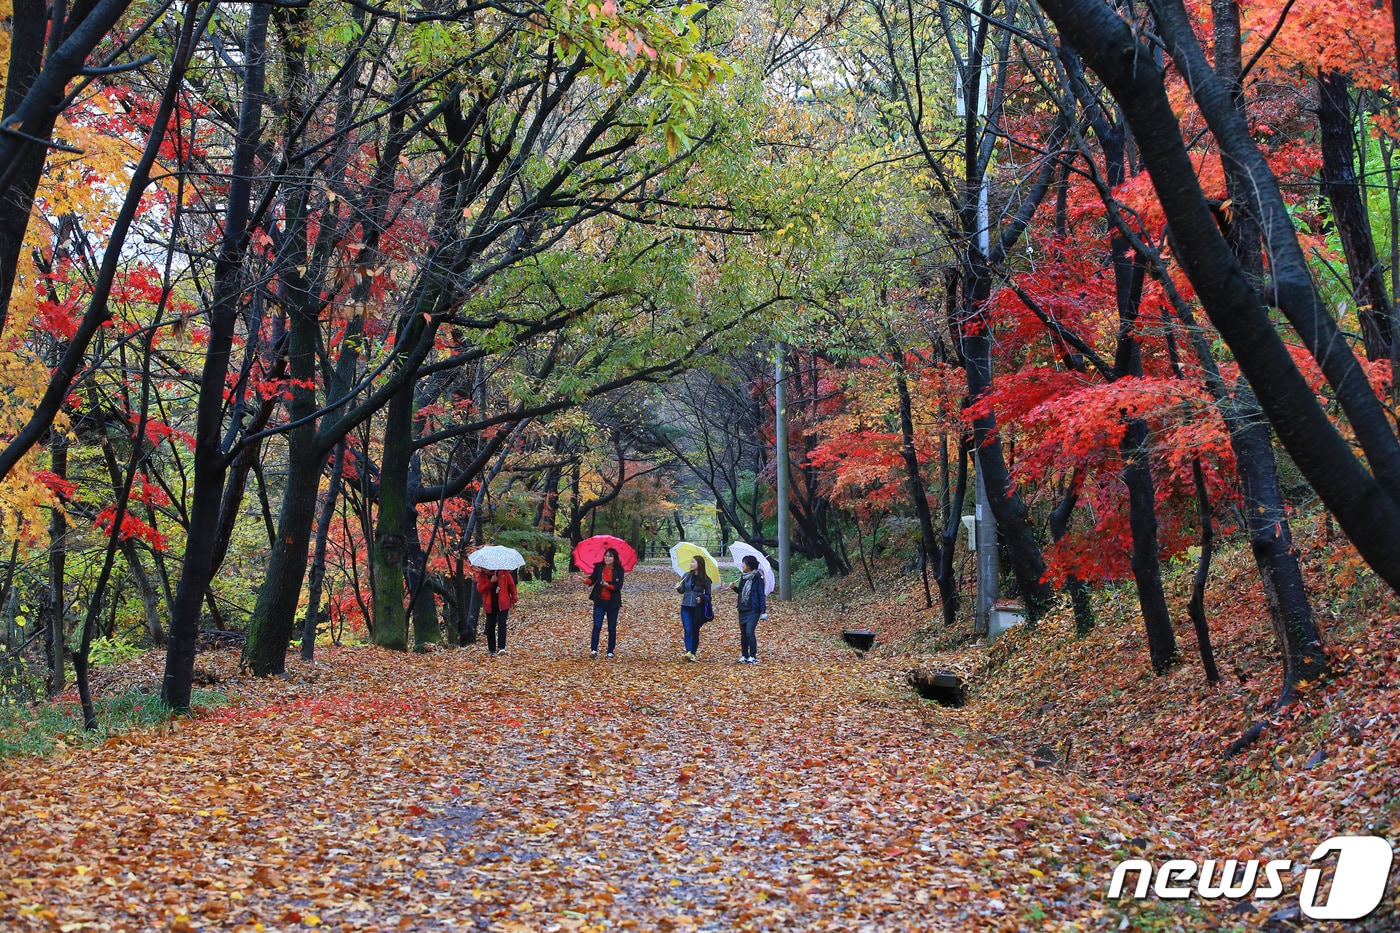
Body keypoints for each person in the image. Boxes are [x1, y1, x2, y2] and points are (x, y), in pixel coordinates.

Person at [585, 548, 624, 658]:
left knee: (611, 627)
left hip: (613, 602)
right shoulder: (599, 567)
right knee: (597, 625)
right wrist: (583, 580)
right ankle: (594, 650)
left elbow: (618, 586)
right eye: (606, 555)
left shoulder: (619, 570)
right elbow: (592, 580)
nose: (607, 558)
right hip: (599, 601)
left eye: (610, 556)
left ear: (614, 558)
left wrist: (608, 586)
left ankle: (610, 650)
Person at [731, 554, 767, 664]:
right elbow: (741, 592)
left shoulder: (758, 579)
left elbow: (761, 594)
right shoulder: (743, 577)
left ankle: (752, 656)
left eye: (744, 563)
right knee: (743, 634)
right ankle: (744, 656)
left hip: (753, 609)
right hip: (742, 608)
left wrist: (763, 610)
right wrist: (734, 588)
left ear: (749, 566)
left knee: (749, 632)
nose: (742, 565)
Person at [675, 556, 712, 662]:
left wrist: (702, 598)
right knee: (688, 629)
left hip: (697, 609)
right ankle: (688, 652)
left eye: (693, 562)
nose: (691, 564)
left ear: (699, 564)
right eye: (690, 562)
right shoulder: (686, 576)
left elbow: (709, 596)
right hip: (685, 606)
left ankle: (693, 653)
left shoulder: (706, 579)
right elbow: (682, 591)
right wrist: (678, 587)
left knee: (695, 631)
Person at [475, 567, 518, 657]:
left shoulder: (503, 572)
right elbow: (480, 589)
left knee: (502, 623)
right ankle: (491, 649)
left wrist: (514, 598)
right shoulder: (481, 575)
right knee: (490, 626)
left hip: (503, 603)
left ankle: (501, 648)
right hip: (490, 604)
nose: (484, 570)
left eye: (485, 568)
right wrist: (491, 582)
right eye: (483, 568)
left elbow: (511, 585)